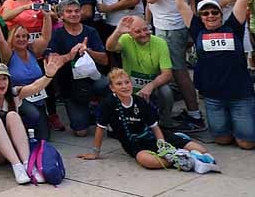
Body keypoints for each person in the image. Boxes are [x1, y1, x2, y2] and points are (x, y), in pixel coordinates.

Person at [169, 0, 255, 148]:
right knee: (222, 140)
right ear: (201, 17)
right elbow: (180, 3)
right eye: (205, 13)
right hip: (214, 95)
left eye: (214, 12)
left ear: (220, 14)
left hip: (240, 94)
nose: (210, 15)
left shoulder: (233, 26)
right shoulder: (197, 29)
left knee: (247, 143)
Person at [126, 0, 205, 132]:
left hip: (169, 26)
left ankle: (195, 115)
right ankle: (191, 111)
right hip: (175, 23)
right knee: (178, 70)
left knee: (178, 71)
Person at [78, 69, 213, 170]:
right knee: (147, 161)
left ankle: (185, 153)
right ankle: (180, 159)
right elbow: (100, 129)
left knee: (201, 149)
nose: (124, 86)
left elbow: (154, 127)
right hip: (134, 143)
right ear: (112, 88)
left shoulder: (140, 101)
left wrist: (162, 144)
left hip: (152, 135)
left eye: (127, 82)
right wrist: (95, 153)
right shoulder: (107, 104)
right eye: (119, 84)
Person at [0, 58, 65, 184]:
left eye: (4, 78)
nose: (2, 82)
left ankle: (27, 166)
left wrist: (48, 75)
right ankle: (17, 167)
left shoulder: (13, 94)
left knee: (13, 115)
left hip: (14, 149)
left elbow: (35, 87)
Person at [0, 4, 52, 140]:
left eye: (24, 36)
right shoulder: (9, 54)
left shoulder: (33, 51)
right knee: (33, 116)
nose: (21, 39)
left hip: (38, 98)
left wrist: (46, 16)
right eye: (18, 36)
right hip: (18, 99)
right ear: (12, 38)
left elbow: (45, 37)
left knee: (44, 139)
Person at [45, 0, 109, 136]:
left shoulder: (91, 31)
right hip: (70, 85)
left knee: (108, 84)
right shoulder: (57, 34)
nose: (73, 14)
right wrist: (70, 55)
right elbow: (51, 60)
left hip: (93, 79)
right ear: (61, 16)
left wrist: (88, 51)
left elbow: (104, 60)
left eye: (76, 11)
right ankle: (88, 112)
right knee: (81, 132)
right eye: (69, 12)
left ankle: (102, 111)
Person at [104, 15, 175, 130]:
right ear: (130, 34)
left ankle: (164, 123)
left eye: (146, 29)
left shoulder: (160, 42)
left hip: (153, 86)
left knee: (166, 91)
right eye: (137, 31)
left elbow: (167, 74)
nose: (143, 34)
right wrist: (118, 32)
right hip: (129, 86)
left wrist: (150, 86)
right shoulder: (125, 39)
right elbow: (109, 47)